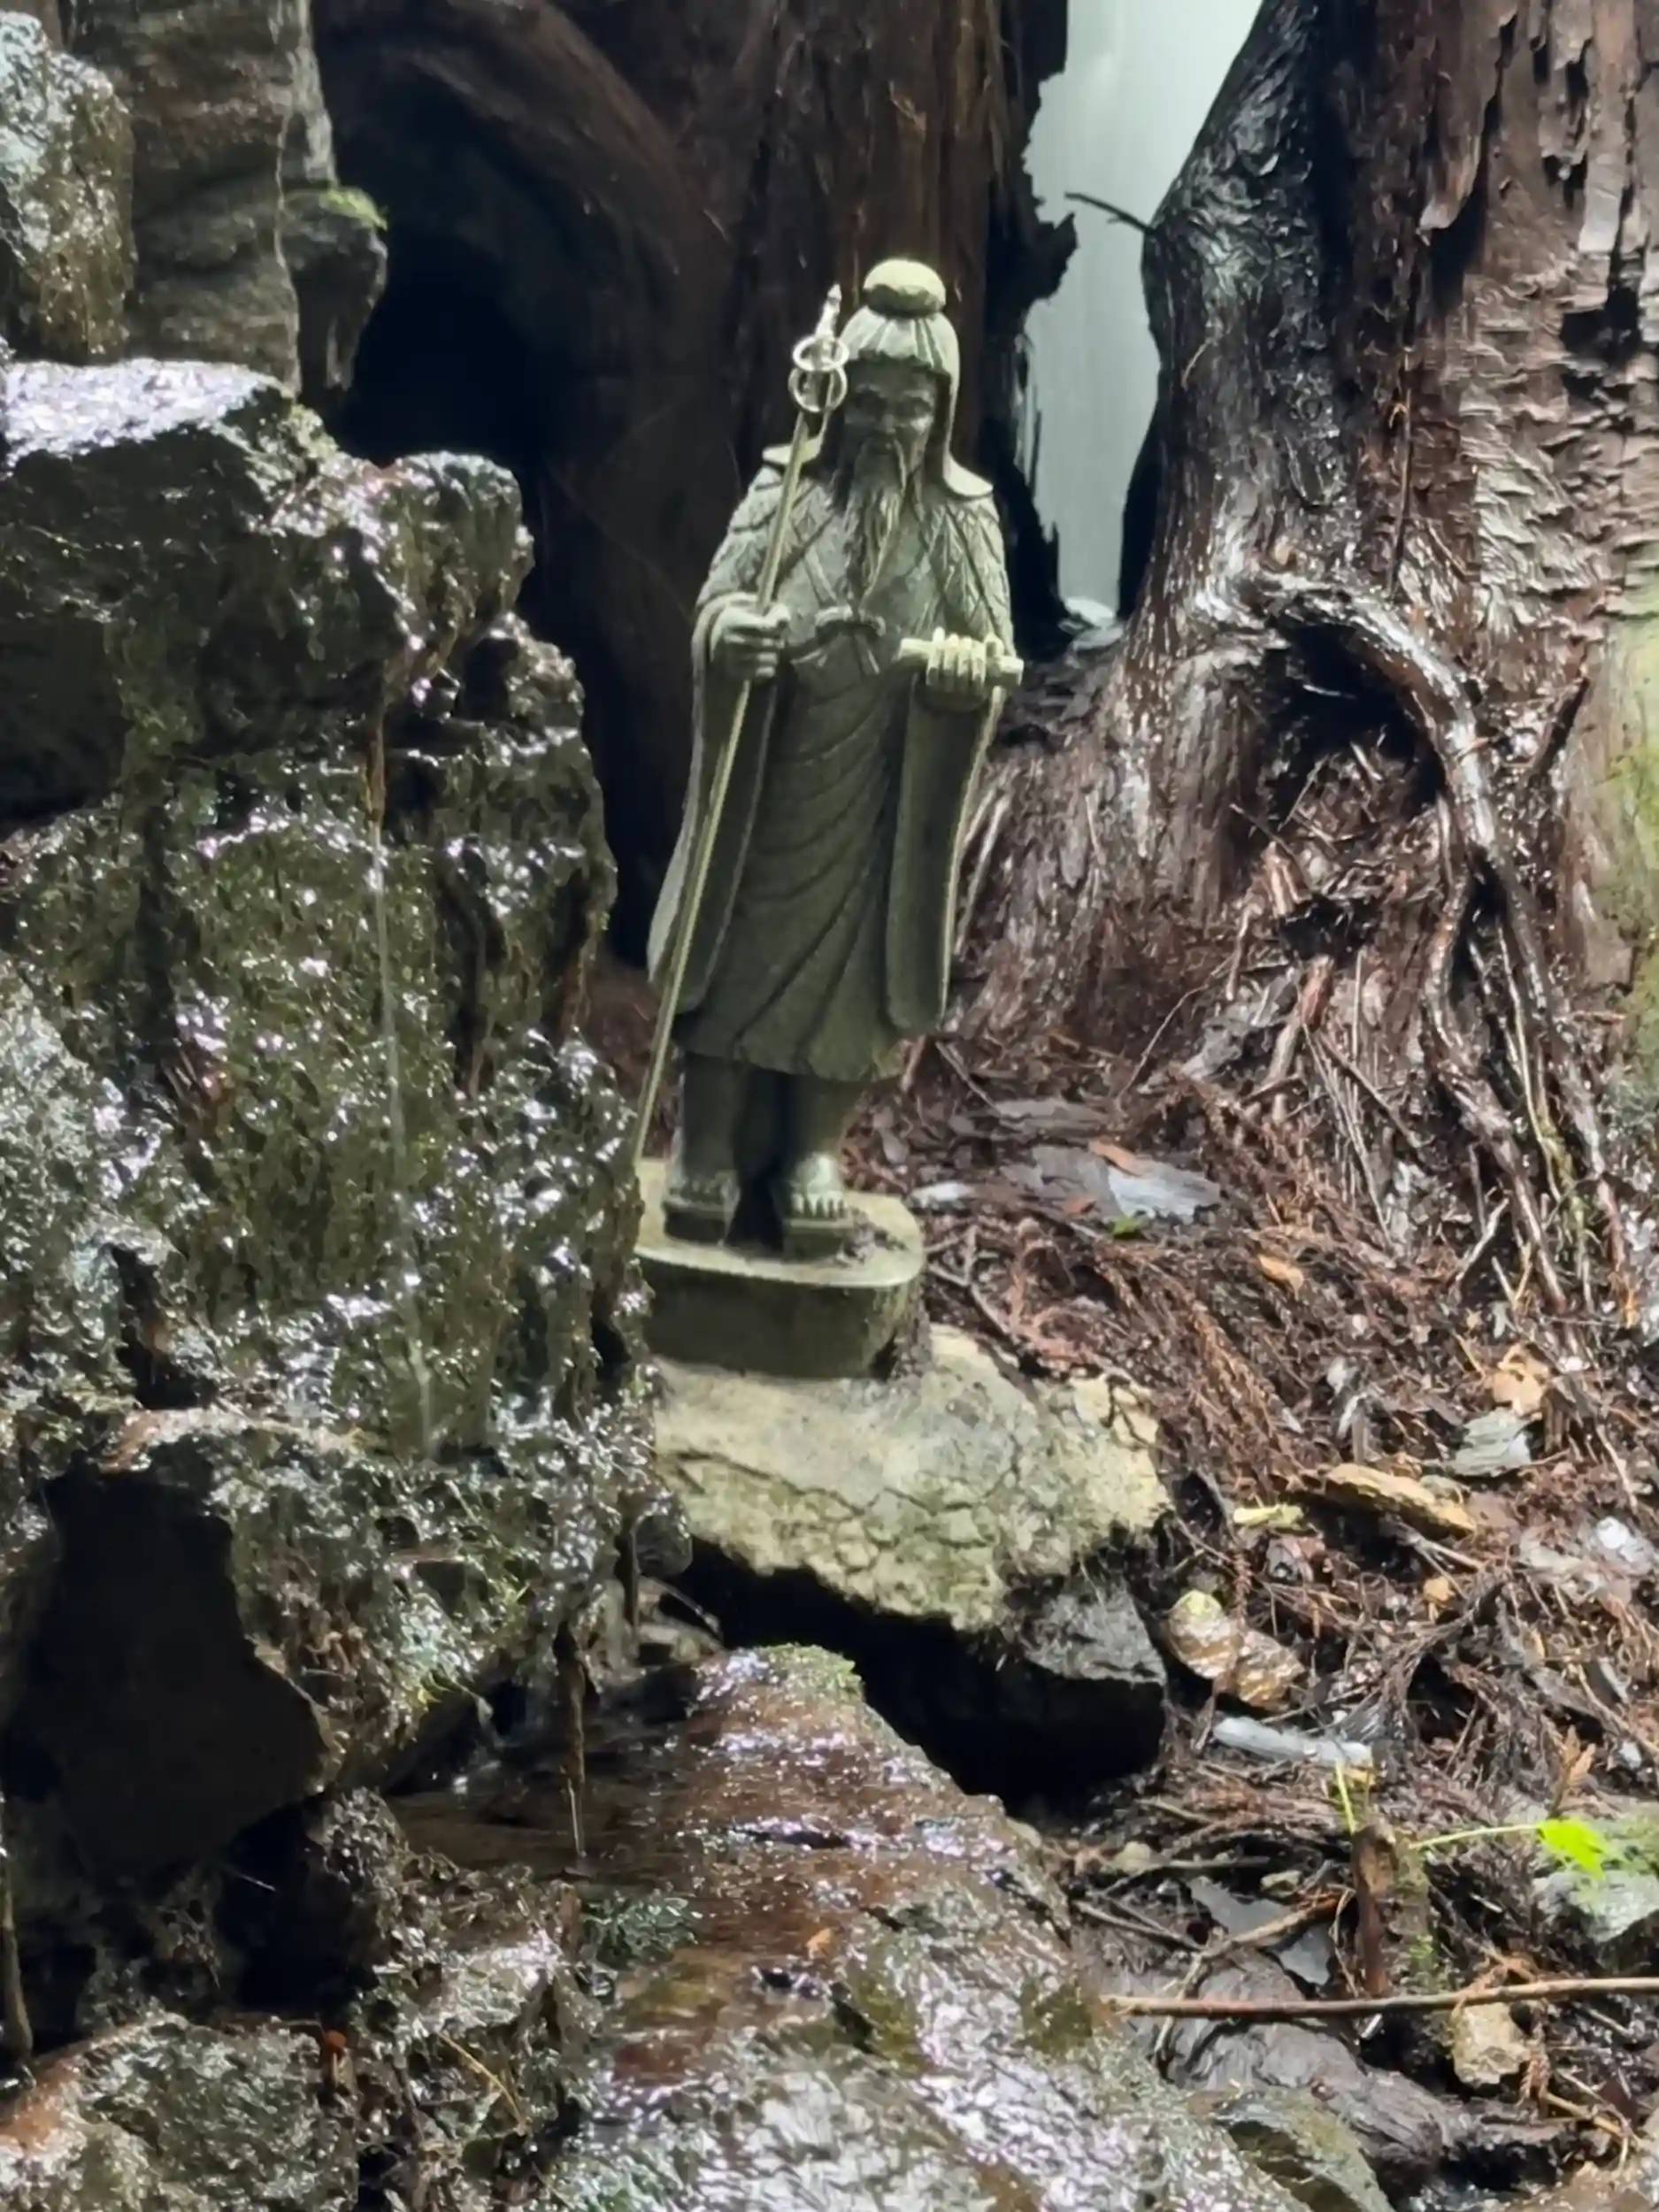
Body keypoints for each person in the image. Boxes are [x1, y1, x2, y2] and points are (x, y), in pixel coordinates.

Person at [649, 258, 1015, 1256]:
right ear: (842, 399)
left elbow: (994, 651)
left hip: (880, 793)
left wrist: (960, 677)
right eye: (875, 402)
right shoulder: (788, 493)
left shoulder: (960, 517)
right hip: (774, 774)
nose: (890, 426)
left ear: (941, 413)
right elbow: (719, 603)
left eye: (913, 408)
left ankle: (813, 1150)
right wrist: (729, 640)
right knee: (737, 945)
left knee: (851, 977)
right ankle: (705, 1142)